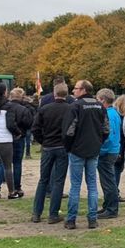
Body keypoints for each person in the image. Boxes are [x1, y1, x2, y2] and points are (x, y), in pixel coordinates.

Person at [62, 79, 108, 230]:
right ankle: (92, 219)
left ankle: (71, 219)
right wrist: (98, 142)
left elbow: (69, 131)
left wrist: (69, 147)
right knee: (92, 185)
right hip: (93, 149)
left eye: (75, 88)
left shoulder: (75, 106)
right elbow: (106, 129)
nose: (73, 91)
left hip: (77, 150)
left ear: (83, 90)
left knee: (75, 186)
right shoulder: (100, 106)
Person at [31, 83, 71, 223]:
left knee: (43, 180)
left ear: (54, 94)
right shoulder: (70, 109)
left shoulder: (45, 109)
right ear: (66, 94)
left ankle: (36, 212)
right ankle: (53, 214)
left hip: (48, 146)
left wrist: (43, 141)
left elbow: (35, 128)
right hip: (62, 147)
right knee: (59, 181)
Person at [0, 88, 35, 199]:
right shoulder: (23, 109)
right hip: (19, 138)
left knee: (3, 164)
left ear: (10, 96)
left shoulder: (3, 108)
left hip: (5, 138)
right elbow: (29, 123)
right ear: (22, 97)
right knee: (17, 163)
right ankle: (17, 187)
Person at [95, 89, 122, 220]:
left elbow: (108, 136)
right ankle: (108, 205)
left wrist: (100, 149)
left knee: (108, 181)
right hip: (113, 149)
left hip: (107, 151)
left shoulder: (107, 114)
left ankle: (111, 208)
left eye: (98, 99)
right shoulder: (115, 113)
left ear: (103, 100)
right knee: (108, 180)